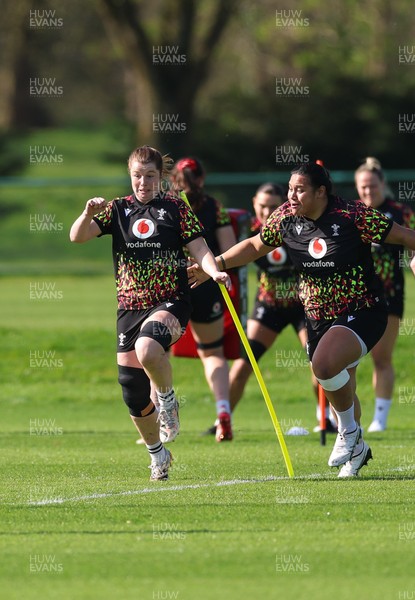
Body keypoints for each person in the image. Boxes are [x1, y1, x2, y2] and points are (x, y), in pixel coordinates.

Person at [189, 162, 415, 477]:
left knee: (323, 366)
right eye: (290, 188)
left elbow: (409, 238)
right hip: (317, 315)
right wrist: (216, 264)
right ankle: (358, 448)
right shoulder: (285, 217)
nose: (291, 195)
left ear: (321, 192)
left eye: (300, 190)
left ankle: (348, 433)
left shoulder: (353, 216)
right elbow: (255, 245)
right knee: (342, 383)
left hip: (364, 309)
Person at [69, 145, 230, 481]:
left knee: (148, 349)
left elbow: (199, 247)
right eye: (137, 176)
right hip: (129, 306)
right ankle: (158, 454)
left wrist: (213, 271)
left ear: (161, 178)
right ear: (130, 176)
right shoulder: (117, 209)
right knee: (131, 389)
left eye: (150, 176)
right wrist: (87, 213)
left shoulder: (175, 207)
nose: (143, 182)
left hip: (171, 300)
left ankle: (168, 401)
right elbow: (77, 237)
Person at [221, 183, 327, 432]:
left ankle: (326, 418)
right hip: (268, 305)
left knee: (319, 363)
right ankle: (222, 419)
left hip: (303, 305)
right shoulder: (253, 231)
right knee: (243, 363)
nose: (267, 211)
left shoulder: (297, 226)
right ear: (254, 204)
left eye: (272, 206)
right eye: (262, 206)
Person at [170, 157, 237, 442]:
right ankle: (223, 410)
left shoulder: (165, 206)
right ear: (202, 178)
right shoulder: (214, 206)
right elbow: (231, 249)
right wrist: (211, 270)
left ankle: (162, 419)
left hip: (172, 286)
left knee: (154, 351)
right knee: (212, 353)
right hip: (208, 284)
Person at [354, 157, 415, 432]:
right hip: (353, 293)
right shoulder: (351, 214)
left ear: (382, 185)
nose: (368, 192)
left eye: (372, 186)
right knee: (347, 358)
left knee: (381, 356)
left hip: (389, 294)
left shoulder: (400, 212)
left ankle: (380, 417)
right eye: (363, 187)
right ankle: (343, 418)